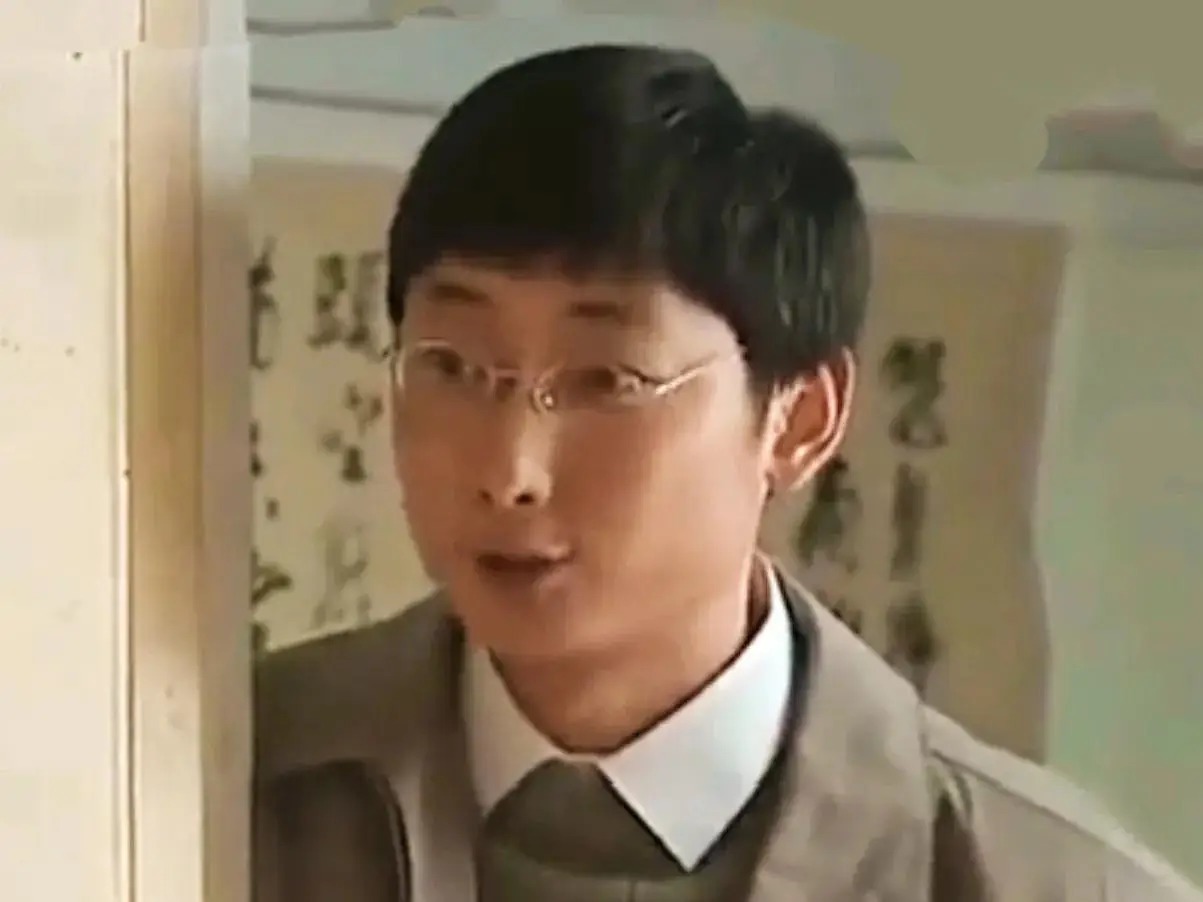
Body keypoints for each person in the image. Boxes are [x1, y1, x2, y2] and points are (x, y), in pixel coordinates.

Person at [253, 43, 1202, 901]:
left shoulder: (1044, 880)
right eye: (454, 366)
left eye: (606, 380)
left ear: (799, 419)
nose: (510, 472)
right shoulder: (224, 784)